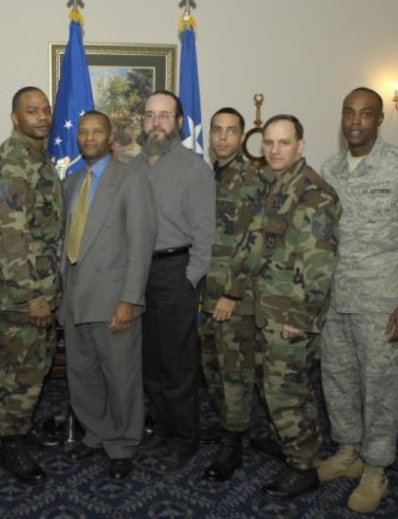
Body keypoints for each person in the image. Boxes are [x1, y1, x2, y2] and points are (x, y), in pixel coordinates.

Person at [318, 87, 398, 513]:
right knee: (338, 381)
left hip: (384, 305)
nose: (355, 121)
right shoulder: (329, 170)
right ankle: (349, 452)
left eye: (366, 114)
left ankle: (376, 469)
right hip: (335, 303)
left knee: (381, 389)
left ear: (380, 118)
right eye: (349, 112)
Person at [226, 114, 341, 500]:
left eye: (284, 143)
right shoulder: (275, 187)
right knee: (274, 387)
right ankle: (292, 444)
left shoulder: (315, 194)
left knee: (288, 392)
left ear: (301, 146)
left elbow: (320, 265)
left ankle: (303, 467)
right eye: (269, 143)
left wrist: (299, 319)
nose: (274, 150)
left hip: (289, 317)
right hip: (266, 308)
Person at [60, 111, 157, 480]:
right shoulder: (71, 181)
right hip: (75, 298)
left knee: (121, 377)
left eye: (96, 131)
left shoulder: (131, 179)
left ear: (110, 136)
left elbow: (140, 244)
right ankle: (96, 433)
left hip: (114, 299)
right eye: (82, 131)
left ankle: (122, 443)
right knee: (81, 376)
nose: (88, 137)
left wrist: (129, 299)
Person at [131, 90, 215, 473]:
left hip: (174, 271)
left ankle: (184, 438)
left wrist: (189, 280)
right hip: (136, 274)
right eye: (150, 115)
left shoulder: (194, 167)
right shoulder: (131, 167)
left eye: (165, 115)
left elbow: (205, 233)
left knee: (176, 363)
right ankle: (162, 428)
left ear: (179, 122)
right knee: (147, 360)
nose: (156, 123)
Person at [0, 86, 63, 485]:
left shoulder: (38, 157)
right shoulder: (13, 163)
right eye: (32, 111)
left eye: (45, 109)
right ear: (16, 118)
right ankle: (10, 443)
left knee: (37, 365)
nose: (42, 116)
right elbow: (10, 237)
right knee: (20, 371)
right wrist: (33, 294)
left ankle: (20, 426)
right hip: (23, 292)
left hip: (44, 288)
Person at [199, 107, 267, 482]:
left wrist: (232, 293)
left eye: (231, 131)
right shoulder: (211, 176)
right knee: (212, 367)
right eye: (217, 130)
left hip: (234, 298)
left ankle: (235, 443)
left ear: (243, 138)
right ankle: (229, 425)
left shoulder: (250, 180)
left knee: (235, 372)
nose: (223, 137)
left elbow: (254, 244)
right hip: (208, 293)